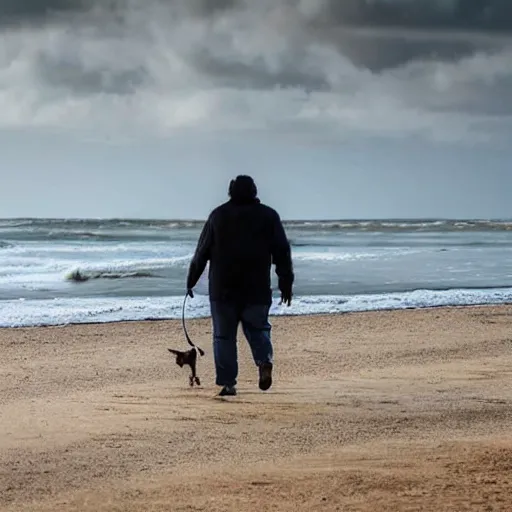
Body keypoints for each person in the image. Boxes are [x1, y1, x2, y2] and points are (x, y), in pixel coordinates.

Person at [186, 175, 294, 396]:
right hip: (257, 288)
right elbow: (282, 252)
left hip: (223, 289)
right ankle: (264, 361)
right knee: (258, 329)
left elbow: (201, 252)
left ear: (230, 192)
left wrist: (191, 280)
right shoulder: (269, 216)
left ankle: (228, 383)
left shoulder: (218, 216)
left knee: (224, 337)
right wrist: (286, 283)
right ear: (254, 192)